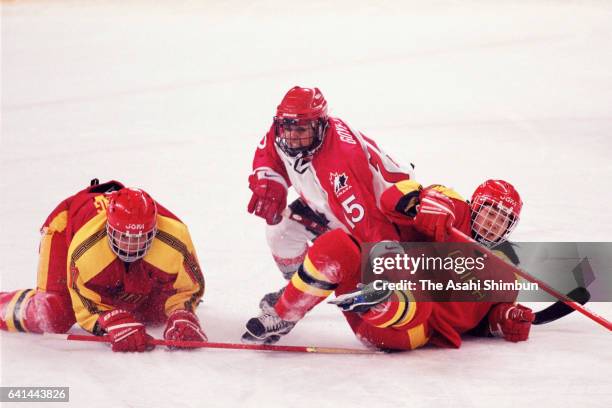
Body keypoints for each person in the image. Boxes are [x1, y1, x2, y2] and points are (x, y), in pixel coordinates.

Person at [242, 179, 535, 350]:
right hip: (383, 286)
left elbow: (486, 322)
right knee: (337, 244)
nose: (493, 223)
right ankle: (283, 313)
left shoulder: (506, 273)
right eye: (489, 212)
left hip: (411, 330)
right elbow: (393, 196)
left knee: (418, 296)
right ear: (475, 205)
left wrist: (506, 318)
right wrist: (425, 201)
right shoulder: (453, 208)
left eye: (503, 219)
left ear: (510, 228)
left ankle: (380, 300)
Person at [247, 86, 414, 311]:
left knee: (364, 281)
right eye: (287, 127)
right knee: (280, 232)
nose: (292, 137)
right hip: (330, 207)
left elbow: (371, 224)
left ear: (320, 125)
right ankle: (297, 288)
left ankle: (305, 295)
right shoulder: (286, 130)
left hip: (387, 219)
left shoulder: (340, 164)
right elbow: (268, 154)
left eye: (302, 129)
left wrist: (384, 277)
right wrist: (271, 181)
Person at [0, 179, 206, 352]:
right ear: (109, 228)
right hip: (66, 227)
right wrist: (108, 322)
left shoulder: (175, 237)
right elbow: (83, 303)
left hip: (106, 248)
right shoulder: (84, 247)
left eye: (140, 237)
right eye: (124, 237)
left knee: (154, 313)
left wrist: (183, 314)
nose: (131, 246)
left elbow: (188, 287)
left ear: (154, 228)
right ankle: (4, 304)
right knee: (54, 313)